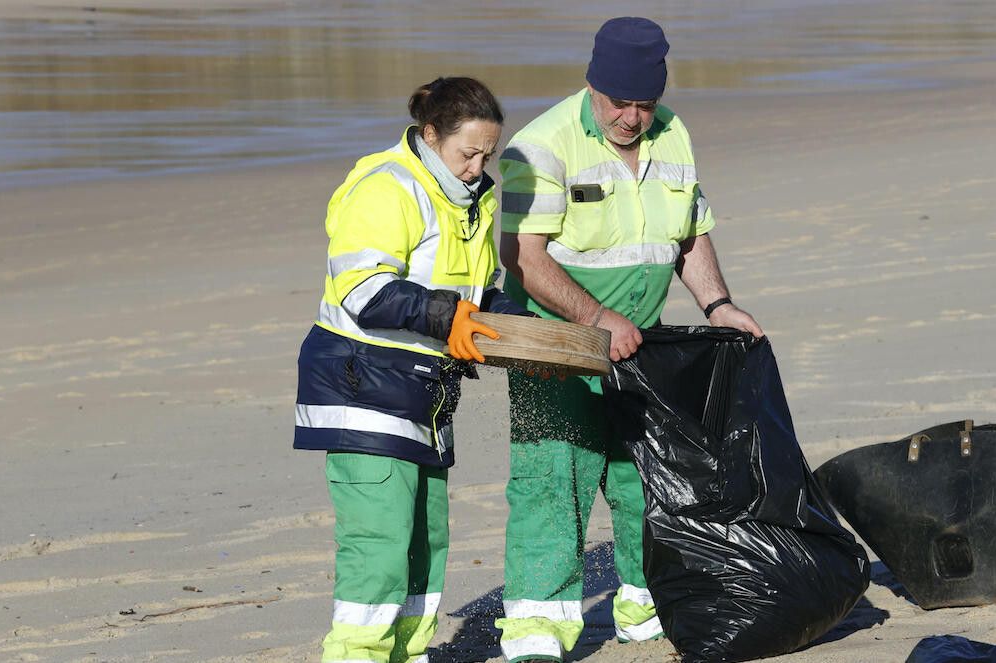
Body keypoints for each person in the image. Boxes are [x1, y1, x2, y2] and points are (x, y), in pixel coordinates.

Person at [493, 17, 763, 663]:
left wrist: (717, 302)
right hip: (557, 347)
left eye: (645, 103)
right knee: (553, 484)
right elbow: (523, 257)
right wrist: (595, 319)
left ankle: (644, 611)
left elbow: (690, 230)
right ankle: (536, 636)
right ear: (594, 83)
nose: (633, 117)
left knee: (646, 479)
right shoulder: (542, 145)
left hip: (640, 349)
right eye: (621, 103)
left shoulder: (674, 134)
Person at [293, 76, 531, 663]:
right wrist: (451, 316)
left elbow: (478, 291)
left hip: (427, 397)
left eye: (487, 154)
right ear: (430, 135)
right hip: (361, 386)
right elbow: (363, 289)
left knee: (427, 543)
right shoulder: (387, 187)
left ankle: (407, 654)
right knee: (378, 546)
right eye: (466, 153)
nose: (478, 166)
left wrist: (523, 329)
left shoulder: (476, 198)